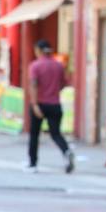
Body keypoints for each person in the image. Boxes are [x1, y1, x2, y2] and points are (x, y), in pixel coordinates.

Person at [27, 39, 75, 173]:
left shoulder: (35, 66)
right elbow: (65, 83)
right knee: (55, 133)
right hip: (55, 104)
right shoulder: (59, 66)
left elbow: (34, 85)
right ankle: (66, 151)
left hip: (40, 103)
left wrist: (35, 104)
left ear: (39, 50)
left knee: (34, 135)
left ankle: (33, 163)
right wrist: (54, 91)